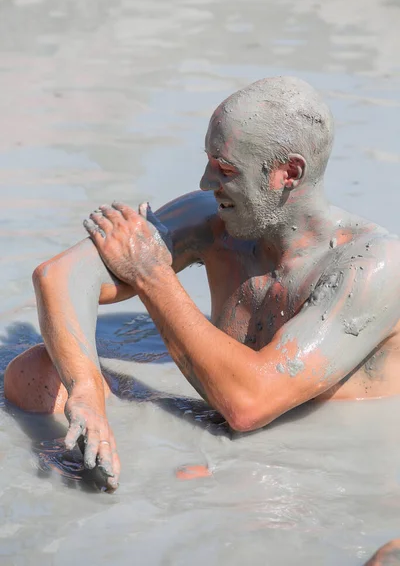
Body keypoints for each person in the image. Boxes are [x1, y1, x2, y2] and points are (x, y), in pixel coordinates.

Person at [4, 76, 400, 492]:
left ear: (289, 173)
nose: (204, 182)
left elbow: (249, 405)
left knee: (250, 494)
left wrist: (151, 275)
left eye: (225, 169)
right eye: (208, 161)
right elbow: (58, 274)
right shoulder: (215, 221)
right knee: (37, 372)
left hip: (317, 461)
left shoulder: (370, 266)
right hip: (223, 415)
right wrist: (85, 391)